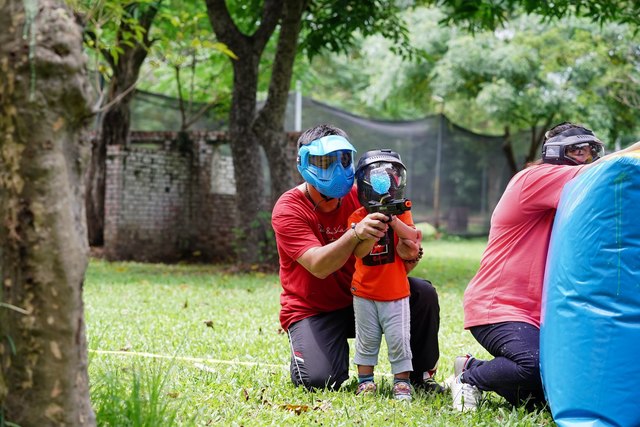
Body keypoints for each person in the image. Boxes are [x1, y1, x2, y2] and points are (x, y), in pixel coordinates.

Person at [449, 122, 640, 411]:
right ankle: (469, 376)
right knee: (535, 367)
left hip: (544, 316)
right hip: (498, 308)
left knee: (550, 394)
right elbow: (604, 172)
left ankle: (480, 368)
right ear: (555, 153)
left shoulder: (574, 194)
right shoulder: (534, 178)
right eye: (577, 150)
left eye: (591, 151)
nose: (586, 157)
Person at [271, 124, 442, 394]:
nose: (337, 169)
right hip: (315, 309)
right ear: (304, 163)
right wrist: (355, 233)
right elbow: (319, 266)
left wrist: (411, 255)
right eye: (326, 161)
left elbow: (397, 254)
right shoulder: (289, 208)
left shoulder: (362, 194)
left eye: (344, 159)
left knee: (422, 293)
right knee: (319, 381)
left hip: (364, 298)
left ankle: (420, 376)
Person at [348, 149, 421, 401]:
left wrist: (393, 221)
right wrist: (368, 229)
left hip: (396, 292)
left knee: (399, 339)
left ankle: (402, 382)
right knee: (366, 339)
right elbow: (359, 253)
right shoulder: (357, 218)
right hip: (364, 293)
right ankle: (365, 381)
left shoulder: (402, 213)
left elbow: (412, 238)